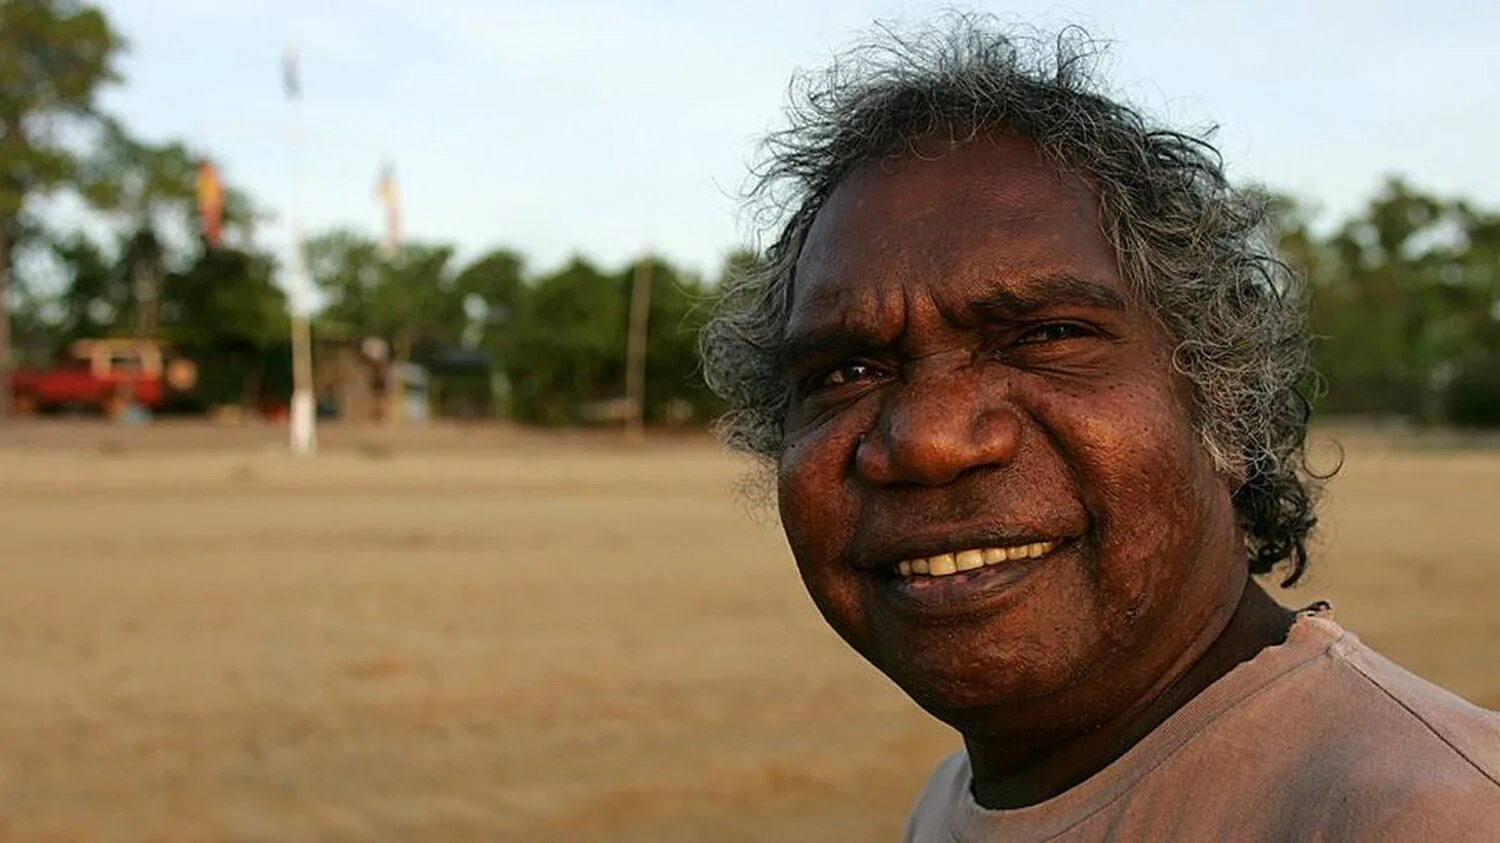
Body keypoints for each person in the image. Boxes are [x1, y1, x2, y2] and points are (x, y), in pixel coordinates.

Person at [699, 15, 1500, 841]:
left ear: (1221, 394)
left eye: (1046, 336)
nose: (929, 440)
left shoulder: (1437, 812)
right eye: (845, 373)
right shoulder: (958, 802)